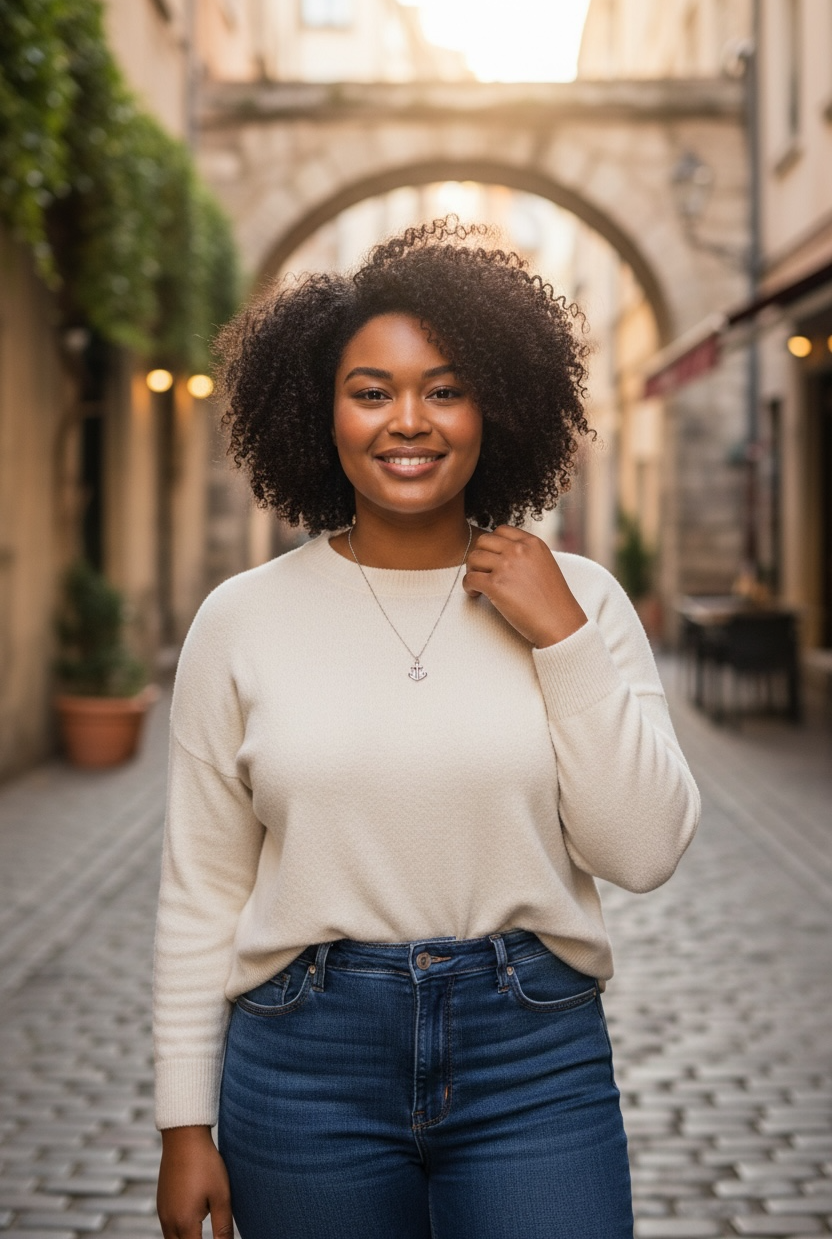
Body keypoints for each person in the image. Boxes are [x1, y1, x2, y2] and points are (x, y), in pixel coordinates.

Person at [154, 217, 700, 1239]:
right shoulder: (241, 620)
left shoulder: (580, 600)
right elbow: (201, 892)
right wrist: (183, 1125)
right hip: (303, 1063)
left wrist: (562, 641)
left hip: (532, 1057)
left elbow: (643, 850)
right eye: (372, 392)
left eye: (444, 388)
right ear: (322, 415)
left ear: (496, 405)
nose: (410, 421)